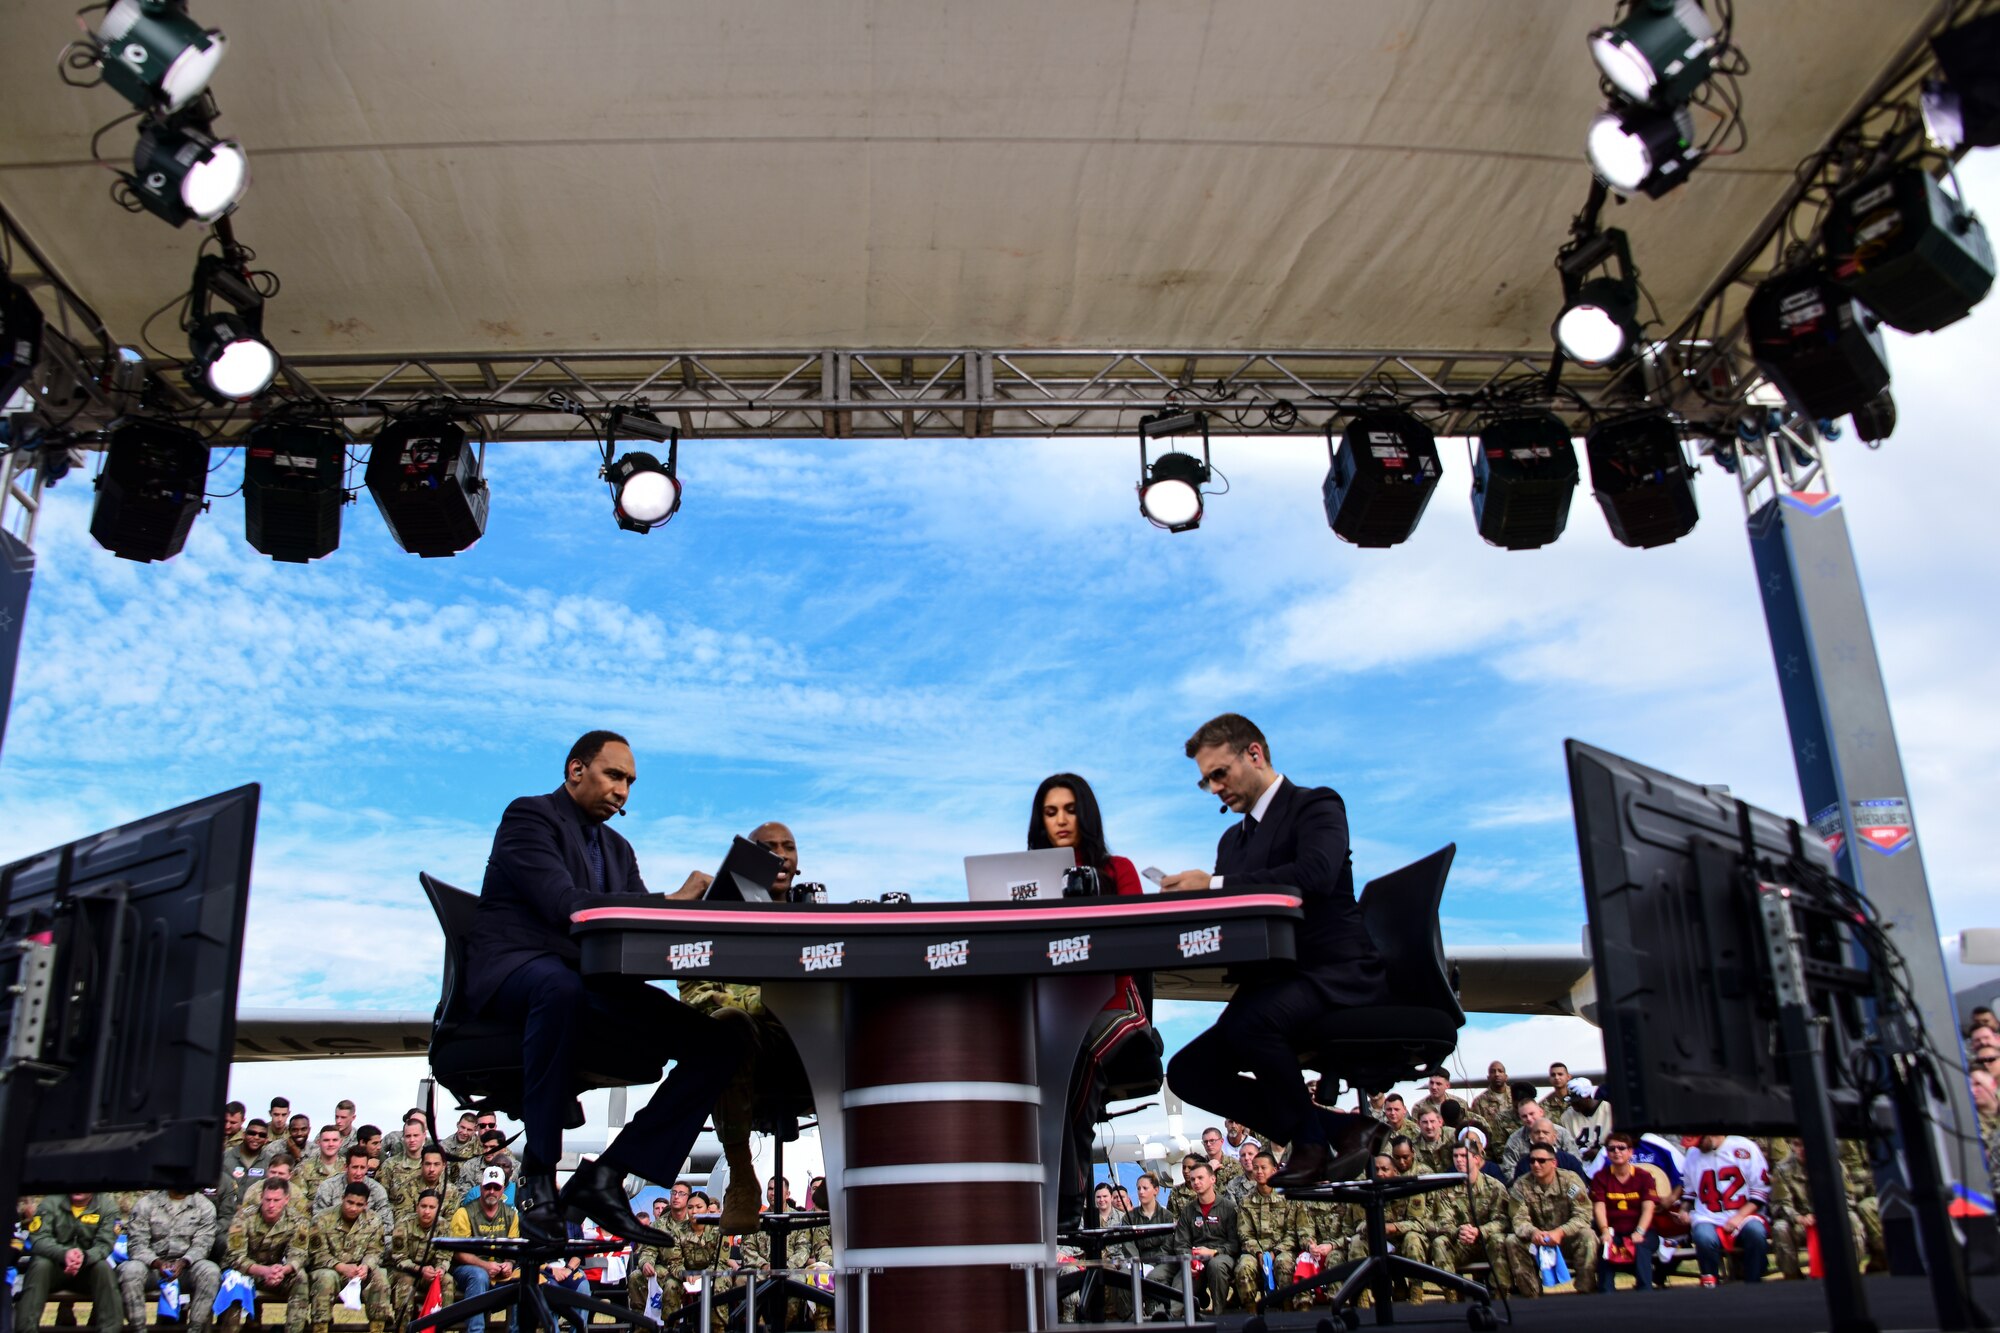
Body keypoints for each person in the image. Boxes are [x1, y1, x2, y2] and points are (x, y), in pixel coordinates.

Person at [465, 729, 741, 1243]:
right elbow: (564, 904)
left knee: (721, 1041)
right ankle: (540, 1176)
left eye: (630, 783)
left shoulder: (619, 847)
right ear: (576, 770)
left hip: (587, 985)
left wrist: (706, 914)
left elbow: (638, 932)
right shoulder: (528, 816)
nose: (623, 792)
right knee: (558, 989)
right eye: (614, 776)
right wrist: (672, 899)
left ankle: (606, 1176)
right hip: (518, 970)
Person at [1162, 714, 1390, 1186]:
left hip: (1334, 972)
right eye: (1206, 782)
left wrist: (1216, 885)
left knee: (1252, 1025)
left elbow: (1316, 875)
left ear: (1255, 754)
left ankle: (1308, 1143)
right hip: (1273, 983)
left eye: (1219, 774)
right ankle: (1343, 1128)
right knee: (1188, 1072)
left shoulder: (1316, 805)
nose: (1215, 787)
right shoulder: (1233, 841)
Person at [1028, 773, 1155, 1226]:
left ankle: (1068, 1204)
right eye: (1050, 812)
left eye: (1070, 809)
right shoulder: (1025, 880)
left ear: (1086, 812)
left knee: (1077, 1056)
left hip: (1117, 1004)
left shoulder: (1117, 868)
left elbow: (1139, 942)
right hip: (1053, 1014)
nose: (1060, 820)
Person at [680, 819, 807, 1232]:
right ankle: (740, 1177)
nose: (780, 855)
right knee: (727, 1023)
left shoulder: (820, 918)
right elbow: (697, 998)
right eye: (767, 848)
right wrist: (763, 1003)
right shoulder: (712, 922)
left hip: (812, 1048)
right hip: (746, 1053)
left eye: (788, 847)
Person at [119, 1188, 222, 1333]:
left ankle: (195, 1329)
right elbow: (137, 1244)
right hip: (152, 1269)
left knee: (210, 1271)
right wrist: (157, 1262)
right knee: (130, 1270)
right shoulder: (146, 1204)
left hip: (186, 1269)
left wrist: (184, 1261)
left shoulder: (204, 1206)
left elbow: (203, 1244)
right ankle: (138, 1329)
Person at [18, 1192, 123, 1333]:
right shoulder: (50, 1202)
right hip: (54, 1269)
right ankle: (26, 1329)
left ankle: (110, 1330)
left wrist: (84, 1257)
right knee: (40, 1264)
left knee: (103, 1267)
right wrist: (64, 1254)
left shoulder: (107, 1206)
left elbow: (105, 1244)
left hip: (87, 1270)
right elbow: (39, 1239)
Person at [1504, 1146, 1595, 1297]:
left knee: (1588, 1236)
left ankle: (1586, 1291)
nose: (1536, 1165)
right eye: (1532, 1161)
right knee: (1512, 1240)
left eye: (1541, 1161)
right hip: (1536, 1240)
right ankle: (1531, 1294)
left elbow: (1583, 1215)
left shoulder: (1570, 1182)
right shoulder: (1521, 1185)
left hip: (1566, 1239)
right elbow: (1518, 1219)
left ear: (1554, 1163)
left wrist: (1561, 1232)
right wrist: (1533, 1232)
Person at [1428, 1143, 1513, 1301]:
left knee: (1499, 1240)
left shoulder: (1494, 1186)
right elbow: (1442, 1222)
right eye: (1455, 1156)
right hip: (1461, 1243)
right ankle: (1452, 1297)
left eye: (1463, 1156)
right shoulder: (1446, 1188)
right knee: (1440, 1243)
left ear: (1476, 1159)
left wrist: (1479, 1231)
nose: (1458, 1160)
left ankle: (1501, 1295)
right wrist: (1459, 1231)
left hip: (1487, 1243)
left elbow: (1503, 1221)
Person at [1682, 1134, 1770, 1286]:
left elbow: (1760, 1191)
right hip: (1707, 1216)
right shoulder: (1692, 1154)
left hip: (1745, 1214)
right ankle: (1711, 1285)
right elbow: (1689, 1193)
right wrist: (1684, 1211)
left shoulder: (1745, 1147)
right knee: (1703, 1238)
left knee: (1755, 1233)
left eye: (1699, 1142)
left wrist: (1740, 1216)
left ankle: (1754, 1283)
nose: (1697, 1146)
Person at [307, 1184, 394, 1332]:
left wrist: (365, 1266)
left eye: (359, 1204)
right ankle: (320, 1327)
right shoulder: (322, 1219)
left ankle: (377, 1327)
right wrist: (341, 1267)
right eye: (350, 1202)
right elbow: (317, 1253)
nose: (353, 1208)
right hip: (330, 1269)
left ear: (366, 1205)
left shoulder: (373, 1220)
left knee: (380, 1277)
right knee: (325, 1278)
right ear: (342, 1199)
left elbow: (376, 1251)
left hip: (359, 1273)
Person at [226, 1181, 310, 1333]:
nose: (271, 1205)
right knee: (233, 1281)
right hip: (248, 1273)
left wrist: (282, 1271)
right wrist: (264, 1271)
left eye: (276, 1200)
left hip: (279, 1274)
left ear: (286, 1200)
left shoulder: (298, 1220)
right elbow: (234, 1257)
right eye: (267, 1200)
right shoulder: (243, 1218)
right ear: (261, 1197)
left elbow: (299, 1253)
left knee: (301, 1278)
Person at [446, 1168, 521, 1333]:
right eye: (488, 1187)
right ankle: (476, 1330)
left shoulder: (511, 1214)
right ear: (481, 1187)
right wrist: (485, 1266)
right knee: (478, 1276)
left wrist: (509, 1263)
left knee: (522, 1278)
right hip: (467, 1269)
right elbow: (458, 1252)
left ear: (503, 1189)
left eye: (496, 1187)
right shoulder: (464, 1213)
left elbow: (513, 1248)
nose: (491, 1192)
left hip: (501, 1270)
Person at [1233, 1151, 1301, 1312]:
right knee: (1243, 1266)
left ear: (1274, 1170)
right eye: (1255, 1168)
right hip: (1255, 1252)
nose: (1259, 1172)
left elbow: (1292, 1233)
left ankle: (1288, 1309)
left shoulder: (1288, 1198)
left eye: (1264, 1167)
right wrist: (1258, 1253)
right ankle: (1251, 1312)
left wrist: (1275, 1253)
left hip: (1282, 1250)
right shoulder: (1246, 1201)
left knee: (1284, 1264)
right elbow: (1245, 1234)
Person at [1589, 1131, 1657, 1292]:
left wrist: (1639, 1231)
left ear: (1630, 1152)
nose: (1616, 1152)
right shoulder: (1600, 1177)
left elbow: (1649, 1208)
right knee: (1605, 1245)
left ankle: (1645, 1291)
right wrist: (1605, 1231)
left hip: (1642, 1230)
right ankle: (1606, 1293)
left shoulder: (1644, 1176)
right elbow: (1599, 1207)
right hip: (1613, 1230)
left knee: (1641, 1245)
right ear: (1607, 1153)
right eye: (1612, 1149)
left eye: (1621, 1148)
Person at [1168, 1160, 1238, 1315]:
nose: (1196, 1182)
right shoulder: (1188, 1211)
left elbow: (1234, 1244)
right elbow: (1181, 1243)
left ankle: (1219, 1315)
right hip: (1196, 1259)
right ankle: (1171, 1318)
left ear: (1212, 1179)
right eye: (1193, 1179)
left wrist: (1213, 1252)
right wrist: (1189, 1260)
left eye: (1200, 1178)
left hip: (1221, 1256)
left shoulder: (1229, 1208)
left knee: (1216, 1265)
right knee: (1182, 1281)